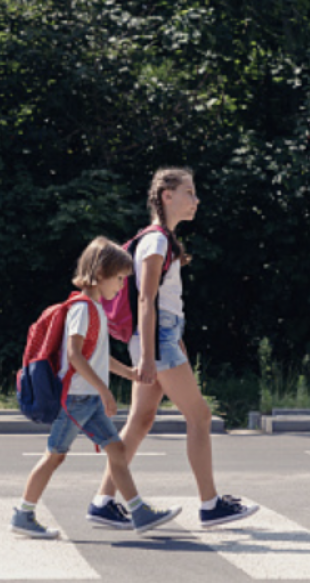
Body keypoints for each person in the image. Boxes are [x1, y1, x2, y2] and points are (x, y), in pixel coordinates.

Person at [85, 167, 260, 530]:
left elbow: (161, 302)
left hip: (161, 336)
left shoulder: (161, 241)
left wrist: (170, 341)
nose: (196, 200)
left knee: (141, 420)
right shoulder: (157, 241)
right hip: (155, 338)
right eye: (189, 192)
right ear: (167, 195)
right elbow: (146, 300)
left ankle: (103, 501)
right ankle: (210, 504)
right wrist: (150, 356)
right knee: (200, 417)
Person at [10, 236, 182, 539]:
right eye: (118, 279)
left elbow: (98, 357)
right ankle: (23, 514)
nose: (120, 287)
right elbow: (75, 356)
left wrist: (129, 373)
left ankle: (139, 512)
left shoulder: (95, 309)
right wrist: (104, 390)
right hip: (76, 398)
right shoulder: (83, 308)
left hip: (86, 398)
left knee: (116, 449)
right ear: (99, 274)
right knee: (55, 456)